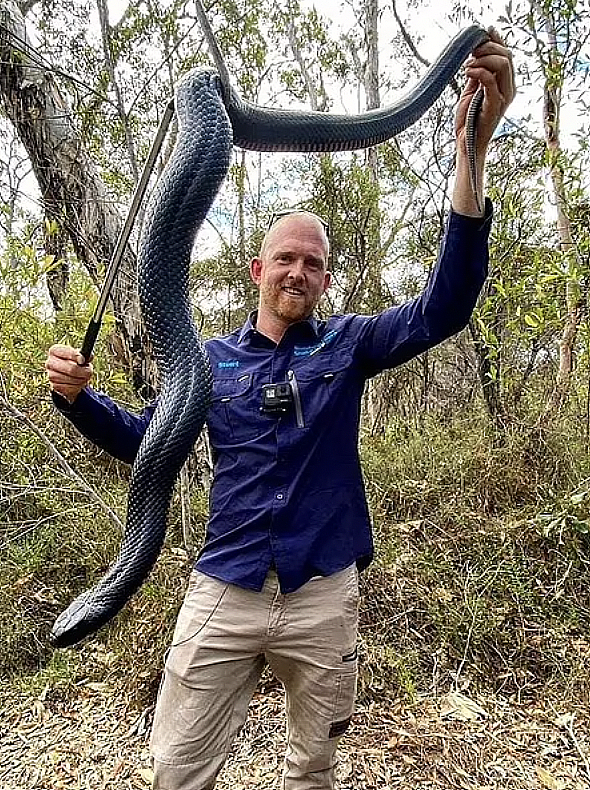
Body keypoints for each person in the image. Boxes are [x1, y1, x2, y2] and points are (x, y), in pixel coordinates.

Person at [45, 31, 515, 790]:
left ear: (326, 280)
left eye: (315, 262)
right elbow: (147, 444)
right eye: (286, 258)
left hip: (323, 593)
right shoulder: (204, 361)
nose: (299, 271)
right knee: (174, 768)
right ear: (258, 270)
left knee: (313, 767)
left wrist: (472, 149)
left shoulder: (351, 345)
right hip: (222, 589)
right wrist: (77, 400)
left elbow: (445, 308)